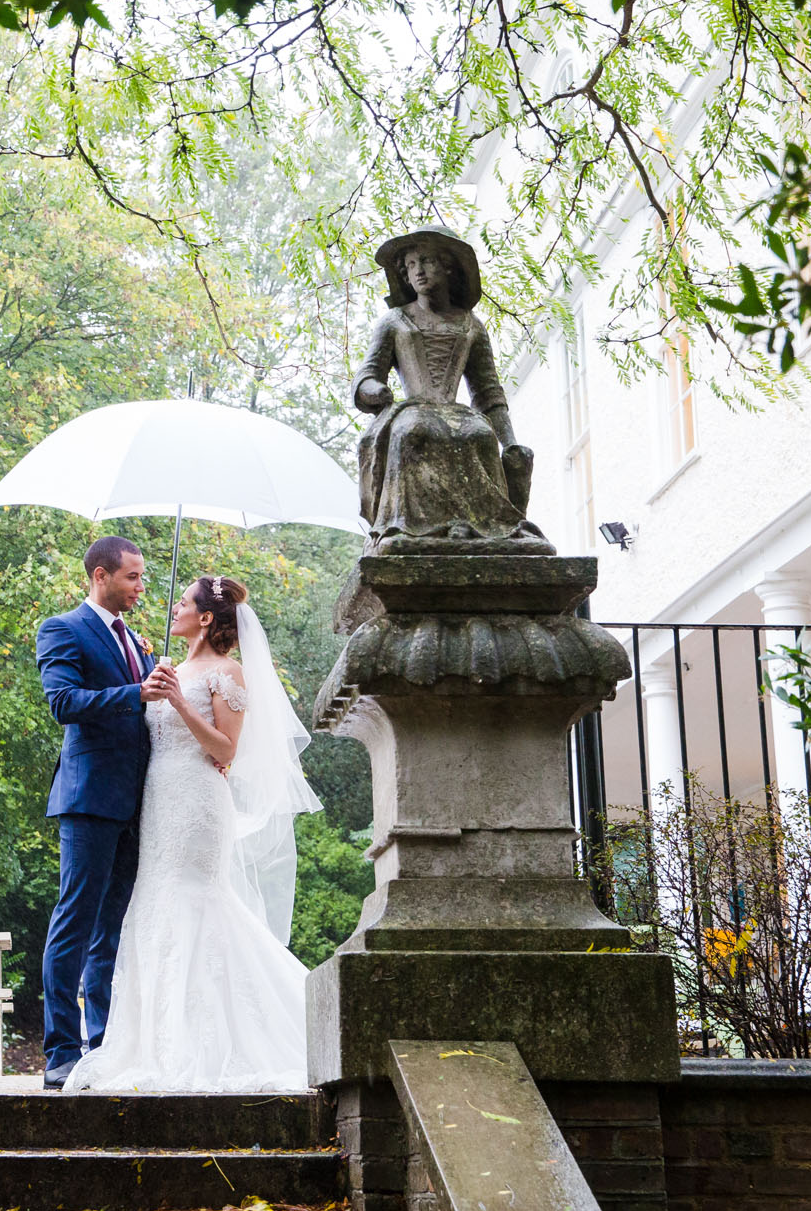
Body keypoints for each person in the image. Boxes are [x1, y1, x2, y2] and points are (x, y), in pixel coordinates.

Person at [63, 575, 321, 1093]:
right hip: (157, 801)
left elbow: (225, 751)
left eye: (182, 602)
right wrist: (154, 686)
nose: (173, 607)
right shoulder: (169, 668)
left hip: (199, 804)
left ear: (205, 618)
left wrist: (179, 702)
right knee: (155, 906)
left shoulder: (229, 674)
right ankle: (156, 1042)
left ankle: (214, 1040)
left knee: (196, 904)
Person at [33, 536, 166, 1091]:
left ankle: (102, 1046)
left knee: (111, 931)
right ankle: (61, 1052)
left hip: (142, 804)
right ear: (100, 575)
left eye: (142, 578)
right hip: (89, 799)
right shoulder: (62, 629)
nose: (140, 587)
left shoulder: (137, 640)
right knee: (75, 921)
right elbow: (63, 703)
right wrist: (135, 691)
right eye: (132, 577)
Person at [353, 226, 549, 554]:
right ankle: (405, 526)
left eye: (426, 261)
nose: (418, 271)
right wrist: (374, 391)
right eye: (411, 265)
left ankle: (484, 526)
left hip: (456, 412)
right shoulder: (394, 321)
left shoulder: (471, 325)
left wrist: (510, 442)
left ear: (448, 267)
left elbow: (488, 392)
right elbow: (368, 375)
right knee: (415, 430)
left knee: (478, 433)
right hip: (411, 410)